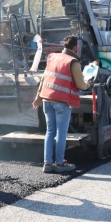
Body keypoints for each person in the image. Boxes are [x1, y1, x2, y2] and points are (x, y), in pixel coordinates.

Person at [32, 35, 93, 173]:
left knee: (50, 132)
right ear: (75, 47)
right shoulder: (73, 62)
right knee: (61, 133)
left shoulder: (52, 57)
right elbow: (80, 84)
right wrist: (88, 84)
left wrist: (38, 97)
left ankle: (47, 163)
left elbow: (44, 79)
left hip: (47, 100)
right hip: (62, 102)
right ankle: (59, 163)